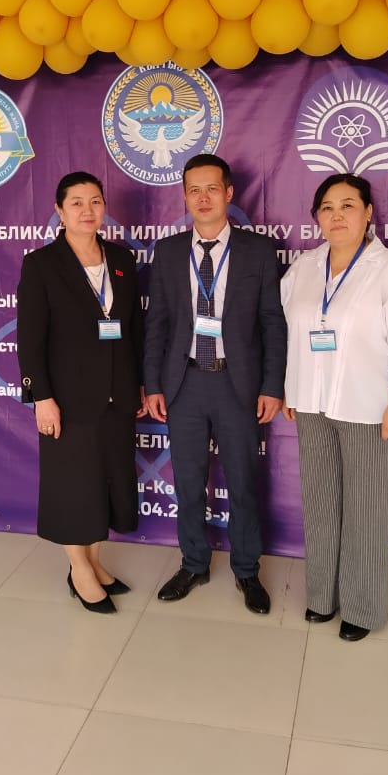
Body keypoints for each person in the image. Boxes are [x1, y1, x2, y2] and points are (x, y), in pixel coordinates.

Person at [280, 173, 388, 641]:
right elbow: (288, 334)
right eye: (327, 208)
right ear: (316, 218)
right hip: (311, 404)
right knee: (320, 502)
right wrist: (291, 389)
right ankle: (322, 596)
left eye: (347, 205)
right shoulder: (303, 268)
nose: (337, 215)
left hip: (370, 408)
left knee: (367, 510)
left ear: (368, 213)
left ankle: (362, 608)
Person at [144, 153, 287, 614]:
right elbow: (157, 324)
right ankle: (193, 563)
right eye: (193, 190)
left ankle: (247, 570)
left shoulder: (257, 250)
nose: (202, 198)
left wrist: (272, 385)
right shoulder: (168, 251)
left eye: (211, 189)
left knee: (243, 483)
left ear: (228, 193)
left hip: (237, 384)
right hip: (184, 383)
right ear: (185, 197)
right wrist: (153, 384)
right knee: (188, 483)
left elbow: (273, 323)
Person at [17, 172, 146, 614]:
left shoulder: (121, 258)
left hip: (117, 393)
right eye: (76, 202)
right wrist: (41, 397)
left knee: (104, 481)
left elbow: (133, 328)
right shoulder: (42, 264)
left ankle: (94, 560)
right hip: (67, 398)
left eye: (95, 201)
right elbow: (30, 339)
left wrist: (138, 383)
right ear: (59, 210)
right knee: (72, 484)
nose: (87, 211)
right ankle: (79, 570)